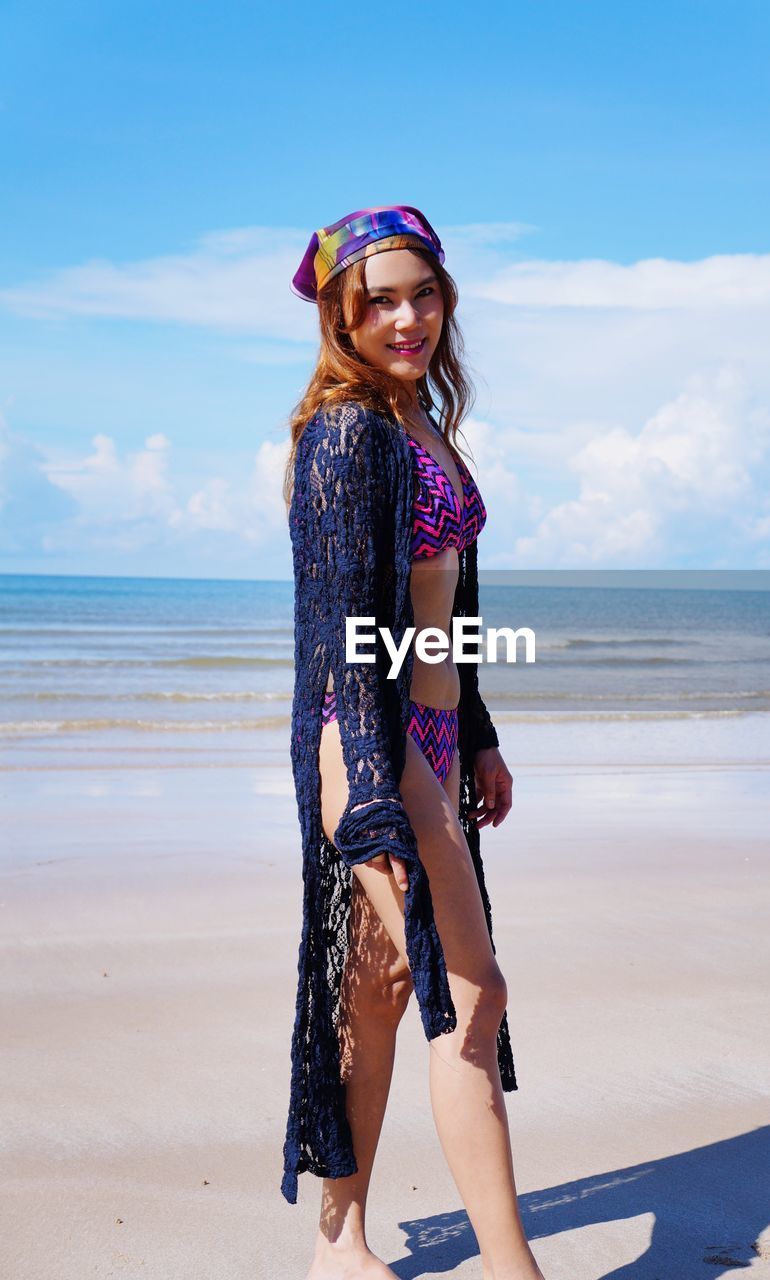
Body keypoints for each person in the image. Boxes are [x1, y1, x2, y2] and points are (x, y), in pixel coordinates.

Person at [281, 206, 546, 1280]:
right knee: (469, 995)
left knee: (382, 986)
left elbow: (449, 611)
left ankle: (339, 1240)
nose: (407, 317)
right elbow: (349, 625)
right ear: (342, 316)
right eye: (380, 299)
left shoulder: (421, 425)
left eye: (423, 294)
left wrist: (475, 730)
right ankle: (511, 1268)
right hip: (372, 744)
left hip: (431, 739)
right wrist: (383, 794)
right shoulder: (349, 432)